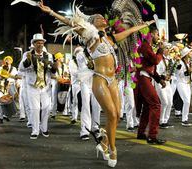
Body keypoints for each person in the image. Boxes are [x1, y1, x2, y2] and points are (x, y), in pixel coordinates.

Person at [38, 1, 154, 167]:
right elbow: (69, 22)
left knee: (118, 114)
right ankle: (112, 149)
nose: (103, 19)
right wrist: (51, 12)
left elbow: (129, 32)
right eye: (99, 18)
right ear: (92, 22)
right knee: (112, 114)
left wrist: (143, 25)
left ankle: (104, 143)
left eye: (102, 17)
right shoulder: (89, 33)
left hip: (113, 79)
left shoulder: (110, 38)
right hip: (99, 79)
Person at [19, 33, 56, 139]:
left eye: (41, 42)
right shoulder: (27, 54)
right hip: (32, 86)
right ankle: (35, 130)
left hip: (45, 86)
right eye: (37, 43)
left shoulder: (48, 55)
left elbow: (52, 71)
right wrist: (28, 61)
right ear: (33, 44)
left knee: (46, 107)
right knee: (35, 108)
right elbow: (21, 68)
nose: (40, 45)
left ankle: (44, 128)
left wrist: (54, 67)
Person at [135, 26, 166, 144]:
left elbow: (149, 67)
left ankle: (141, 133)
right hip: (143, 78)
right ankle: (152, 136)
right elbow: (155, 61)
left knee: (148, 106)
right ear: (152, 34)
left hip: (145, 78)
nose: (158, 37)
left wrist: (159, 80)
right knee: (156, 104)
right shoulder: (145, 46)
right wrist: (160, 51)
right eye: (157, 34)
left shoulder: (145, 46)